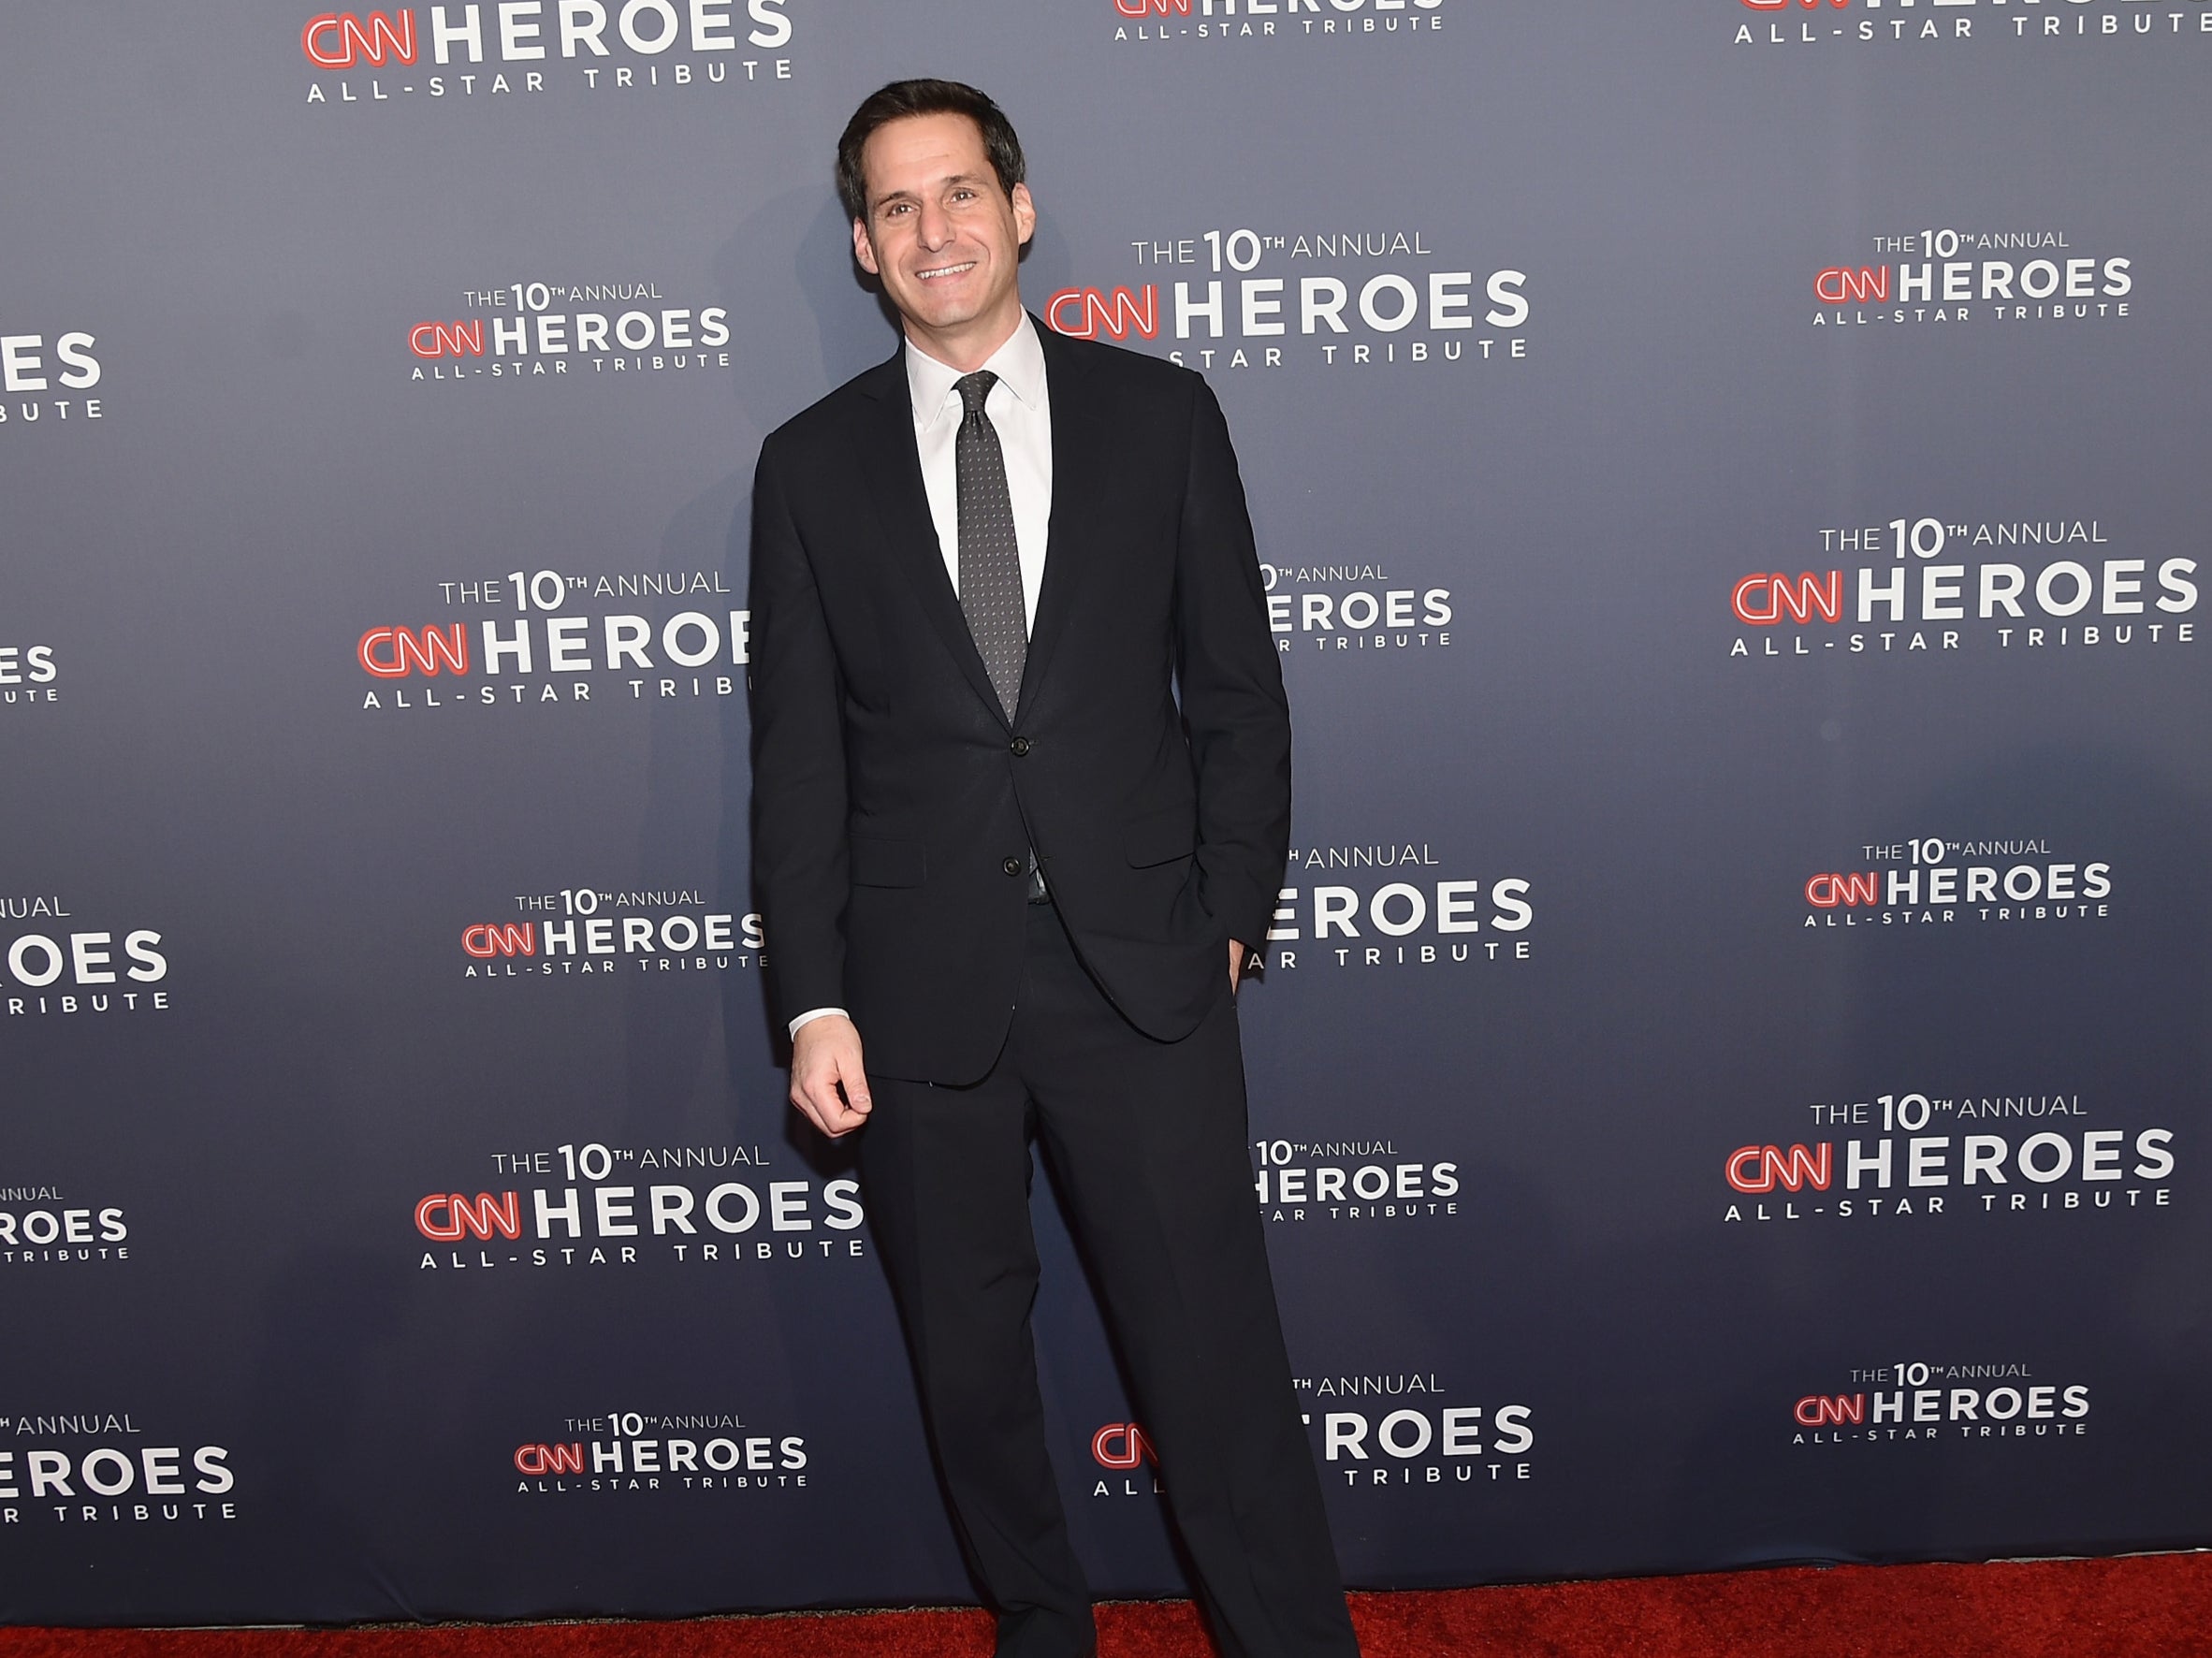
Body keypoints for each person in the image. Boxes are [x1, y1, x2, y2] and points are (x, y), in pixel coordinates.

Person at [747, 78, 1361, 1658]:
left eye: (960, 192)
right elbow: (801, 762)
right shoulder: (806, 470)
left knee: (1214, 1367)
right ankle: (1040, 1630)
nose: (934, 228)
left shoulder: (1162, 413)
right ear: (868, 253)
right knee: (970, 1375)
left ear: (1019, 212)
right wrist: (813, 1005)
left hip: (1140, 976)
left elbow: (1238, 693)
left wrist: (1230, 917)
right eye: (896, 207)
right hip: (915, 998)